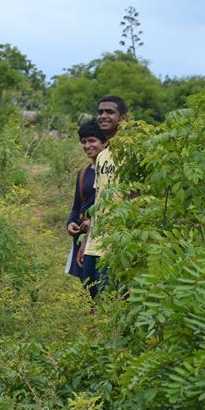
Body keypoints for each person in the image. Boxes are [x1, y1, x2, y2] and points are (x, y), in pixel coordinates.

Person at [76, 95, 129, 298]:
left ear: (123, 118)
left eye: (109, 112)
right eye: (100, 112)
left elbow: (137, 196)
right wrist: (85, 242)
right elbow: (99, 200)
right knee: (92, 298)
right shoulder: (102, 156)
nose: (103, 116)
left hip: (118, 243)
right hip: (96, 243)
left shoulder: (131, 152)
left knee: (114, 300)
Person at [65, 119, 107, 282]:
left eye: (92, 140)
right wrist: (70, 223)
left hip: (101, 238)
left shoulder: (111, 171)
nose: (87, 145)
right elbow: (77, 206)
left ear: (104, 142)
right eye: (84, 141)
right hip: (82, 237)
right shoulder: (84, 172)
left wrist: (94, 222)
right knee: (87, 288)